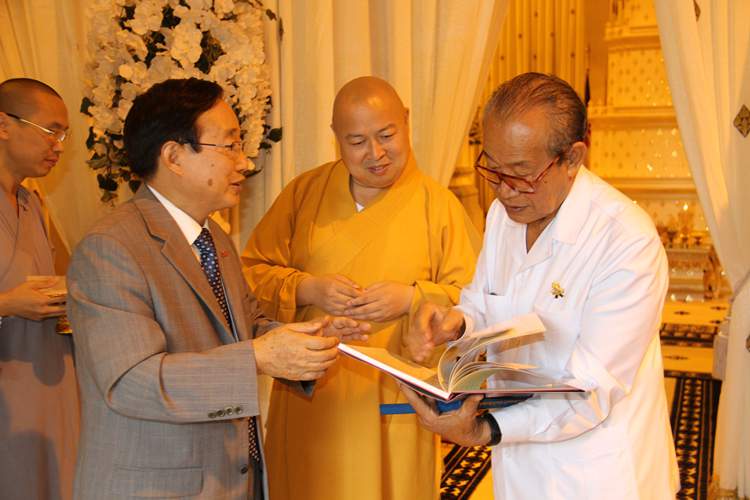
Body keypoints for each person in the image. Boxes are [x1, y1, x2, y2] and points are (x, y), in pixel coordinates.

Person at [67, 78, 366, 500]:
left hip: (230, 479)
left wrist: (308, 337)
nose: (244, 162)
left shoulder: (214, 239)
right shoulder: (111, 248)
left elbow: (247, 326)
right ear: (174, 156)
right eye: (229, 146)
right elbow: (131, 381)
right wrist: (258, 357)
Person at [401, 72, 680, 499]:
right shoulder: (505, 215)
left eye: (521, 173)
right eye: (493, 169)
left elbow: (590, 388)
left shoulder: (625, 241)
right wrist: (455, 322)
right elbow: (485, 301)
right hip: (520, 464)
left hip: (597, 472)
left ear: (573, 158)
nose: (505, 191)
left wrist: (484, 430)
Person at [242, 76, 481, 500]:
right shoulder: (304, 194)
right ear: (336, 138)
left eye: (386, 135)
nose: (376, 153)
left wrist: (411, 297)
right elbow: (249, 274)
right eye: (357, 141)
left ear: (405, 121)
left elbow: (477, 300)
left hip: (394, 400)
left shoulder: (438, 206)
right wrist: (307, 288)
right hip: (313, 399)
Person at [0, 78, 79, 500]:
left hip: (48, 385)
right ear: (4, 125)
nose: (59, 146)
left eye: (63, 134)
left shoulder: (33, 205)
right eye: (51, 131)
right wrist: (8, 304)